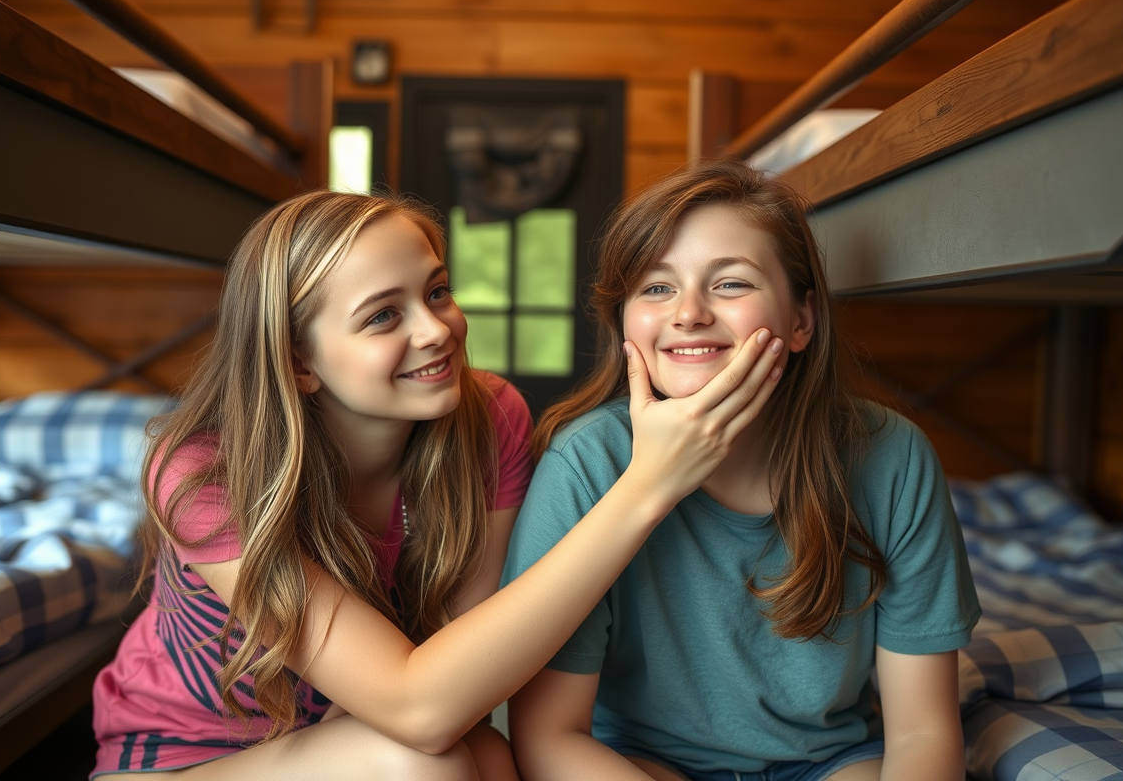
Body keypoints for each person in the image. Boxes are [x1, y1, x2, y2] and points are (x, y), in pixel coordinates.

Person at [90, 189, 785, 781]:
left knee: (486, 754)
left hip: (362, 733)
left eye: (438, 292)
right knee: (427, 762)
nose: (438, 329)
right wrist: (647, 487)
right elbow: (421, 712)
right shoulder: (203, 470)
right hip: (188, 759)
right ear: (299, 359)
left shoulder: (489, 420)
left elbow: (469, 676)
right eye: (383, 315)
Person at [502, 160, 981, 781]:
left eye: (729, 284)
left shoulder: (893, 457)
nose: (689, 312)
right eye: (655, 287)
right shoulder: (586, 464)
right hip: (640, 761)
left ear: (802, 319)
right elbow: (547, 737)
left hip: (829, 760)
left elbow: (922, 730)